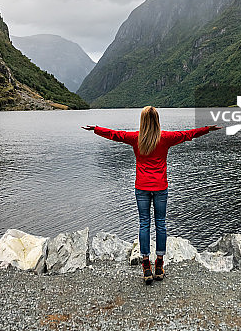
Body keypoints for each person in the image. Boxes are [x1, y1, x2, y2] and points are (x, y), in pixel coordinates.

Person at [82, 106, 220, 284]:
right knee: (160, 225)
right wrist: (207, 129)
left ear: (142, 121)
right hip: (161, 187)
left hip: (142, 187)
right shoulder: (166, 138)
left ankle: (146, 267)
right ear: (157, 120)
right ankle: (159, 265)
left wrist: (96, 129)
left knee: (144, 224)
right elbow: (188, 134)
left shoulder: (135, 138)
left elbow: (115, 134)